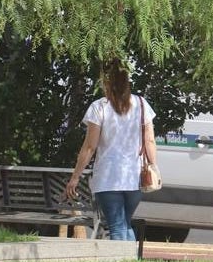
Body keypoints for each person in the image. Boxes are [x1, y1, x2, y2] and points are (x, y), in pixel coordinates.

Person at [65, 60, 157, 240]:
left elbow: (90, 146)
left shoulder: (99, 107)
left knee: (117, 225)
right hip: (134, 176)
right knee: (124, 223)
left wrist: (75, 177)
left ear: (106, 83)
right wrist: (154, 167)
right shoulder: (142, 104)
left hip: (108, 178)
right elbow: (150, 140)